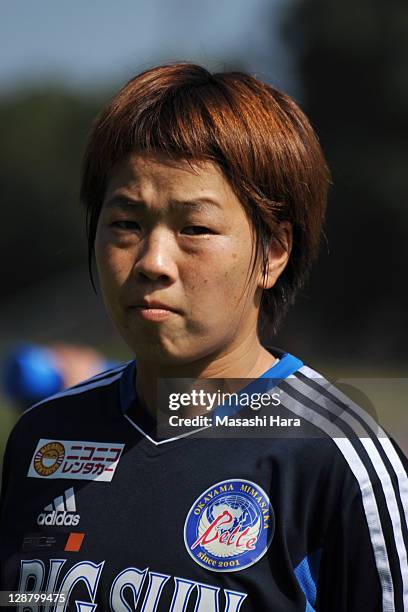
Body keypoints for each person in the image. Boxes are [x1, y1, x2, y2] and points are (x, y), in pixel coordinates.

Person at [0, 63, 407, 612]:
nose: (152, 262)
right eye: (126, 223)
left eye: (194, 228)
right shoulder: (42, 438)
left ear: (274, 252)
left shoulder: (337, 457)